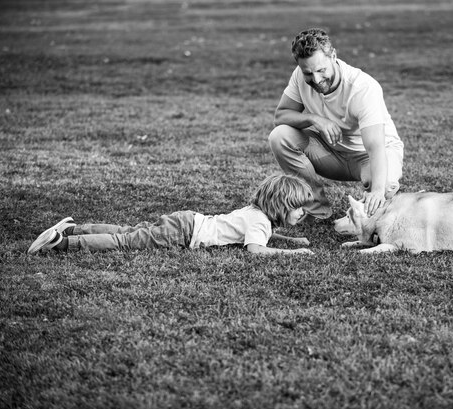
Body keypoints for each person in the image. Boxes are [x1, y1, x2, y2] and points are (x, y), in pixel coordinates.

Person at [268, 27, 404, 221]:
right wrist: (314, 119)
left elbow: (375, 147)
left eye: (321, 70)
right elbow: (281, 116)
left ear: (333, 55)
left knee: (385, 183)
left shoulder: (363, 88)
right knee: (279, 136)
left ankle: (377, 208)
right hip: (331, 152)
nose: (316, 79)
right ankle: (316, 210)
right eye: (308, 73)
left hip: (367, 155)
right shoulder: (300, 75)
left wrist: (378, 190)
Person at [27, 174, 315, 256]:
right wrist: (292, 253)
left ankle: (75, 228)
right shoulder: (259, 222)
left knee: (129, 230)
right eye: (298, 207)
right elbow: (256, 248)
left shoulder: (257, 214)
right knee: (127, 242)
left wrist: (291, 238)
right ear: (280, 204)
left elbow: (258, 235)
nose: (303, 212)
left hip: (188, 220)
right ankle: (61, 243)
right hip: (184, 233)